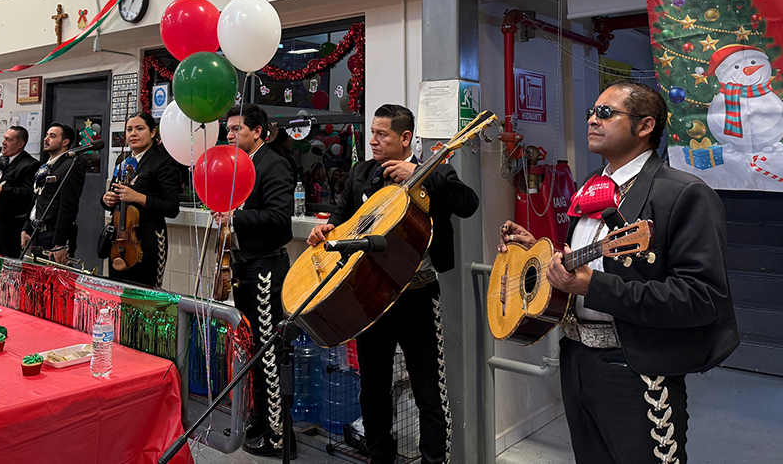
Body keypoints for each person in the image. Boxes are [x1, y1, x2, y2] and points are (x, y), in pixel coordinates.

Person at [498, 80, 738, 464]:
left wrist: (595, 287)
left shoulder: (684, 193)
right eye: (592, 112)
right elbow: (586, 262)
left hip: (637, 367)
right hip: (576, 359)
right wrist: (542, 251)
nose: (593, 120)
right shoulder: (592, 187)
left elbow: (702, 297)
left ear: (645, 126)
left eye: (606, 113)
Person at [307, 104, 479, 464]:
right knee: (372, 389)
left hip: (418, 296)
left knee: (429, 391)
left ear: (404, 138)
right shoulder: (360, 173)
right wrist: (325, 229)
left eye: (381, 134)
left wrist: (418, 172)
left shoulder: (435, 171)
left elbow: (468, 204)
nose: (373, 141)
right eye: (372, 133)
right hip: (369, 297)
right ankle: (379, 459)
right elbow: (340, 217)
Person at [214, 104, 295, 457]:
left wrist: (236, 217)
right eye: (228, 130)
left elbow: (280, 218)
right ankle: (259, 421)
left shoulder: (273, 164)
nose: (230, 136)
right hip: (242, 268)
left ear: (258, 132)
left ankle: (279, 437)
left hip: (266, 270)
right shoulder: (238, 166)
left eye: (236, 130)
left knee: (268, 354)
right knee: (251, 353)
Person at [101, 112, 180, 288]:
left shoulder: (163, 162)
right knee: (118, 292)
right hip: (119, 240)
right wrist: (107, 199)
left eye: (139, 128)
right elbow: (112, 196)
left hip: (148, 239)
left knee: (144, 295)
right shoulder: (123, 160)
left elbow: (172, 208)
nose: (133, 134)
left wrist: (138, 198)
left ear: (153, 133)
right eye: (129, 129)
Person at [21, 123, 86, 266]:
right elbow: (36, 198)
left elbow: (68, 207)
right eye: (46, 135)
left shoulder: (71, 166)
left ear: (65, 142)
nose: (46, 139)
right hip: (36, 232)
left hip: (53, 235)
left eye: (52, 136)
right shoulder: (46, 166)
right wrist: (26, 228)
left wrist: (60, 243)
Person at [0, 126, 38, 258]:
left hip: (11, 225)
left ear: (20, 144)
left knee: (9, 264)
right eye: (4, 138)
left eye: (8, 140)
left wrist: (3, 192)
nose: (3, 142)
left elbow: (28, 194)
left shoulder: (30, 164)